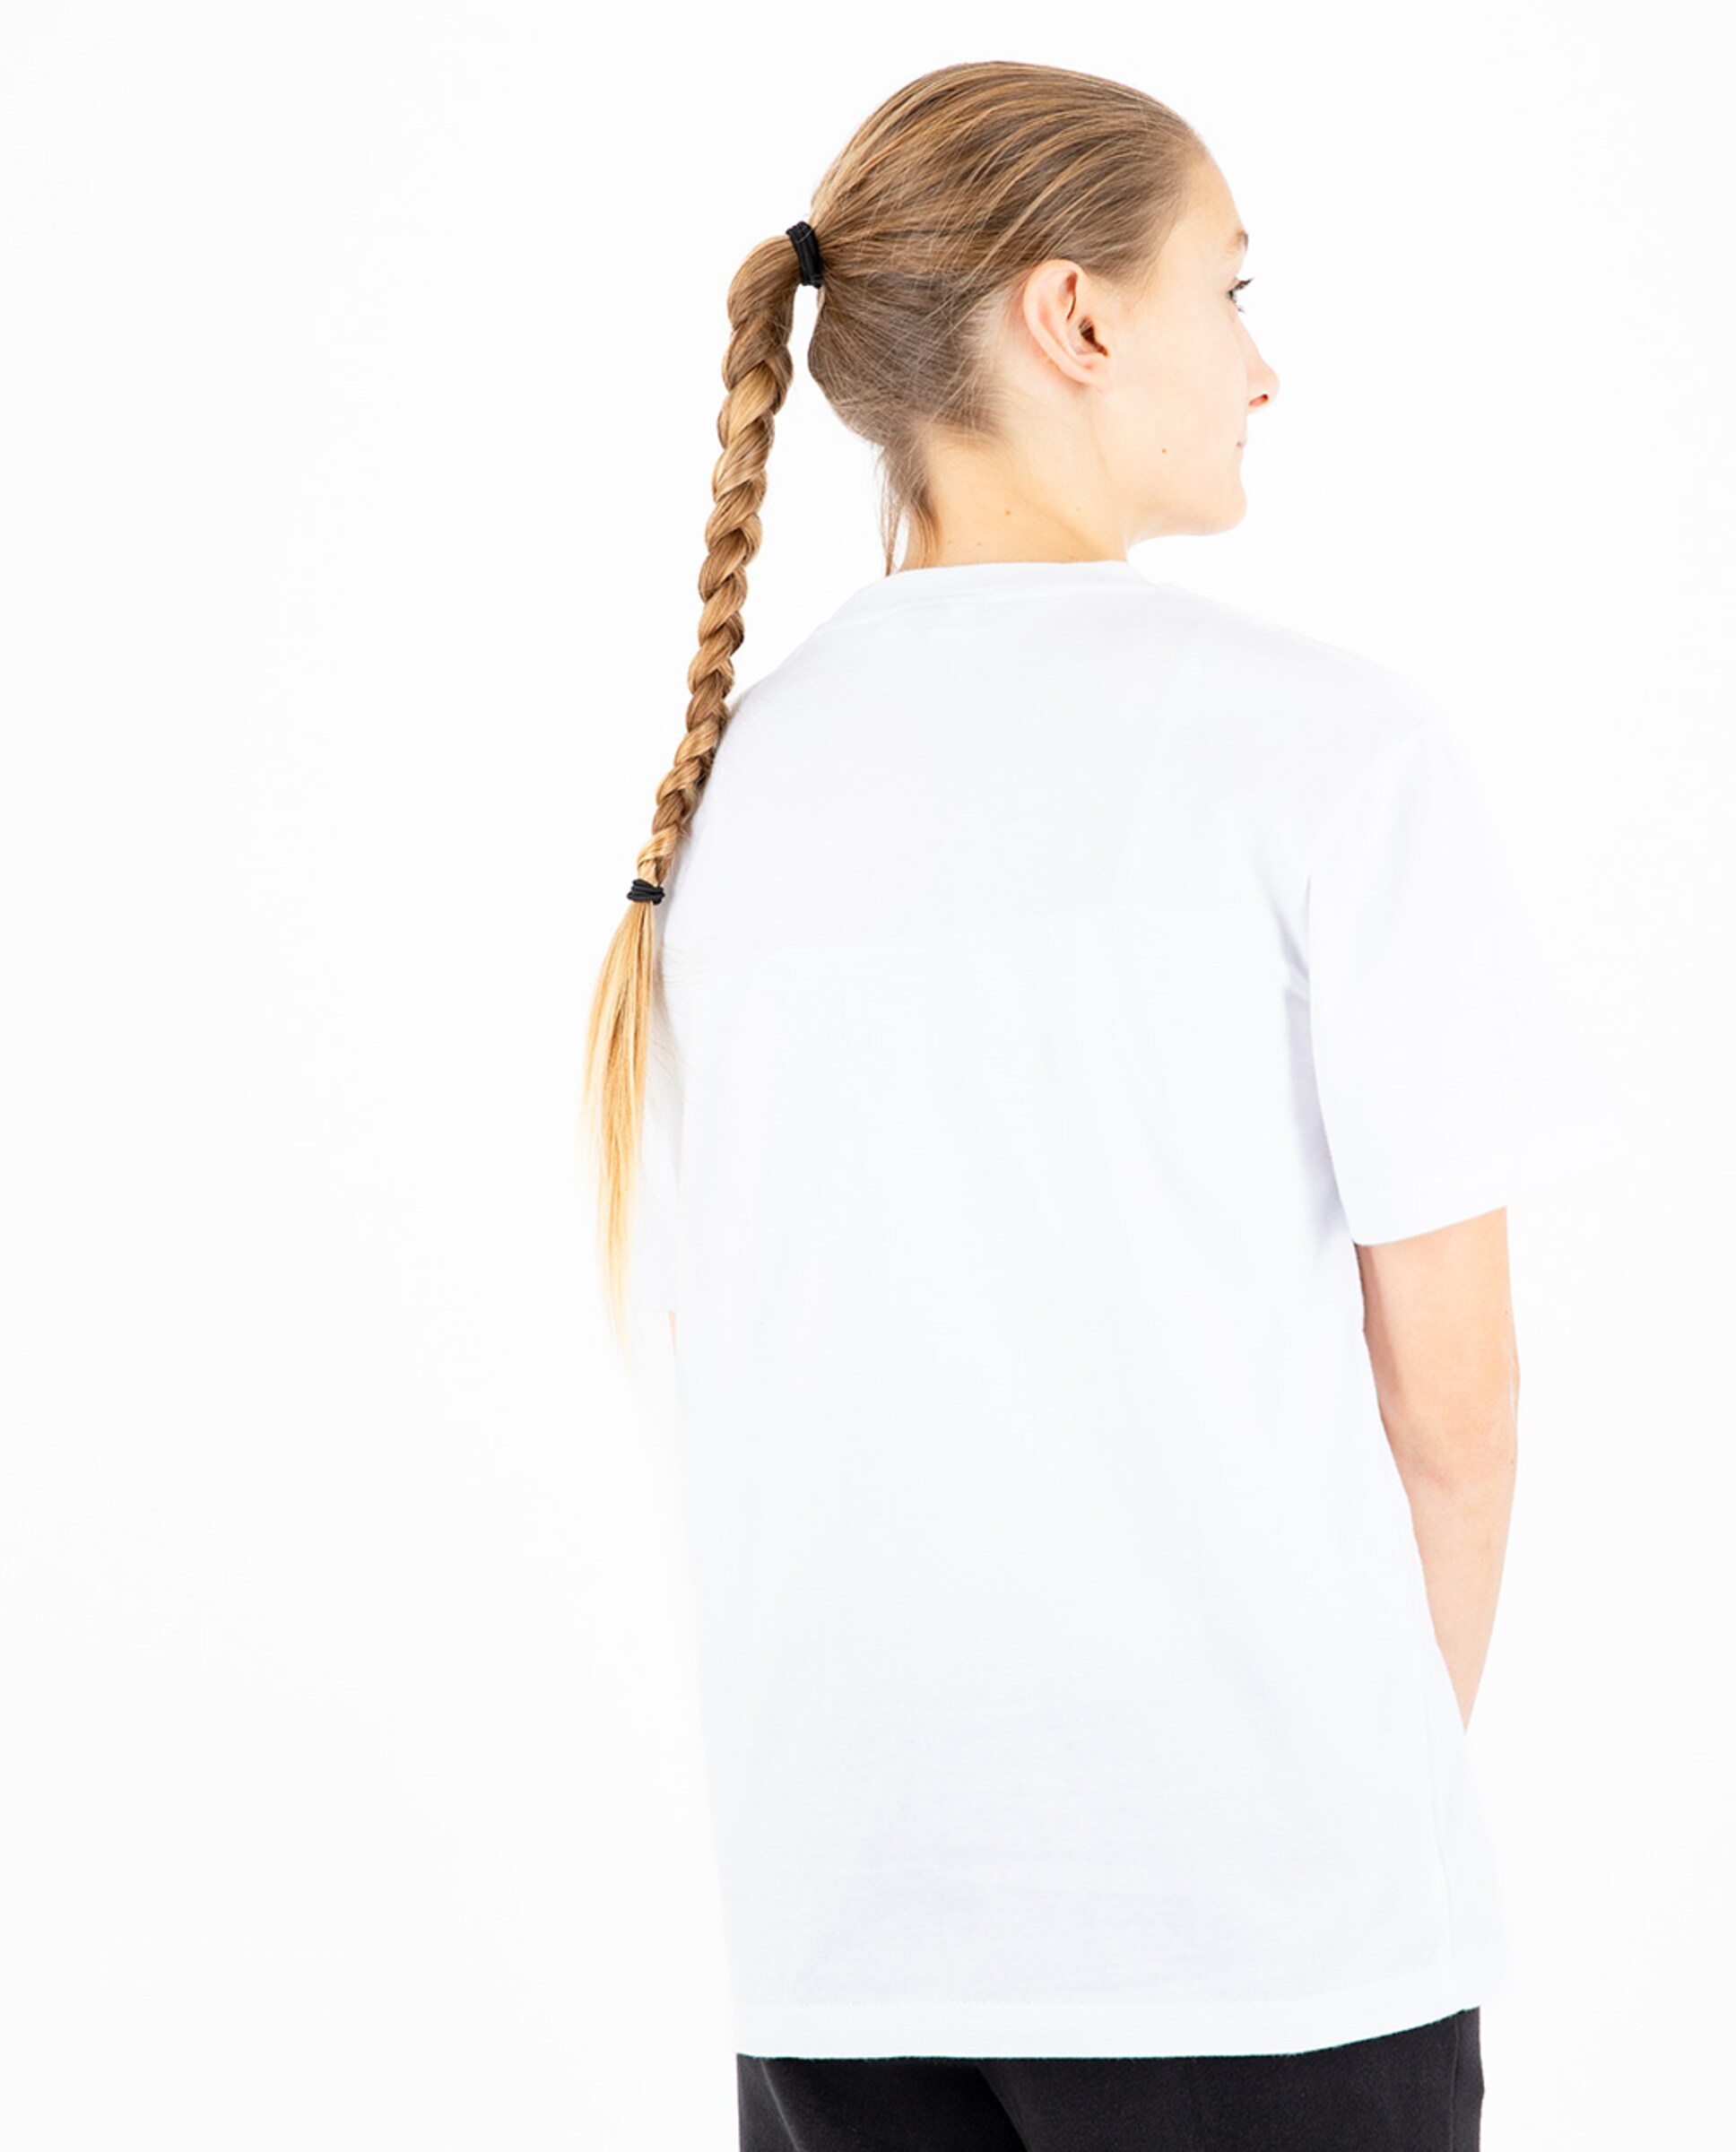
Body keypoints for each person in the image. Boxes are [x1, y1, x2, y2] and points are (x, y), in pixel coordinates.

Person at [581, 58, 1626, 2152]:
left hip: (844, 1935)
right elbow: (1459, 1406)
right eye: (1228, 291)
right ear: (1076, 318)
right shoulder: (1325, 756)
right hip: (1257, 1938)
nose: (1263, 368)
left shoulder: (725, 796)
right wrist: (1363, 1819)